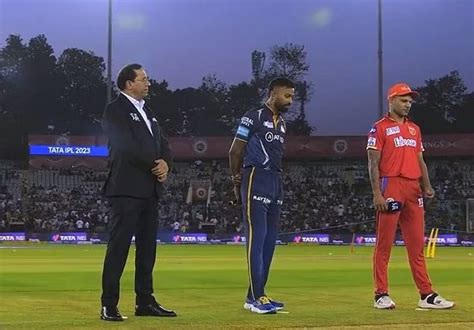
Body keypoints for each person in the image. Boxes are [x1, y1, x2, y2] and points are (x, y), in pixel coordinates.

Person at [367, 82, 455, 310]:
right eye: (403, 100)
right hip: (391, 186)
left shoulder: (414, 129)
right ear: (392, 100)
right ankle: (381, 294)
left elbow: (420, 160)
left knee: (416, 245)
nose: (408, 105)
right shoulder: (379, 128)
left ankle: (426, 294)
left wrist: (427, 185)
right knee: (384, 244)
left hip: (413, 188)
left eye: (410, 101)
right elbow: (372, 162)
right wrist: (377, 194)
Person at [100, 63, 176, 321]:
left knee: (147, 250)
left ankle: (145, 301)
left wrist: (166, 161)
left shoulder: (149, 111)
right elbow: (124, 147)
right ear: (128, 83)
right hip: (126, 189)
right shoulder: (115, 109)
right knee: (119, 248)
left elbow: (162, 143)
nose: (148, 83)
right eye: (143, 79)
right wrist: (154, 165)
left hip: (150, 190)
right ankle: (108, 304)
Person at [228, 77, 295, 314]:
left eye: (292, 96)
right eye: (287, 96)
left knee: (269, 242)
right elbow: (235, 150)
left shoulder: (283, 124)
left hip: (275, 180)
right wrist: (236, 181)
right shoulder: (253, 116)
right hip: (255, 177)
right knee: (256, 239)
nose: (290, 100)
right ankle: (258, 297)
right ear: (273, 93)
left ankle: (255, 295)